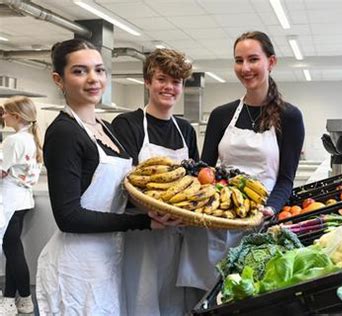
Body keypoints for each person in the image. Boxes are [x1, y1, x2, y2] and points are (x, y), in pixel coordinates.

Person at [35, 38, 163, 315]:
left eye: (99, 70)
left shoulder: (106, 128)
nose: (93, 79)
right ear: (59, 79)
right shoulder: (64, 133)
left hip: (107, 258)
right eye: (80, 71)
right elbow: (69, 217)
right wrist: (143, 222)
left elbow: (117, 193)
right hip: (75, 267)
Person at [189, 30, 305, 290]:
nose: (245, 68)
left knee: (250, 295)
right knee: (211, 294)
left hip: (262, 224)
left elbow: (286, 179)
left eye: (253, 59)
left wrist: (269, 210)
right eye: (239, 60)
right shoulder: (221, 115)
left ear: (271, 62)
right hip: (218, 221)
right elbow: (205, 169)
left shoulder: (290, 117)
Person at [112, 48, 200, 315]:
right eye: (162, 79)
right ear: (148, 82)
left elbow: (196, 181)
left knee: (175, 302)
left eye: (176, 82)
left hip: (180, 235)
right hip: (142, 234)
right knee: (142, 299)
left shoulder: (185, 130)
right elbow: (123, 183)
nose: (169, 87)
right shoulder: (128, 124)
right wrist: (153, 213)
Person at [0, 96, 42, 315]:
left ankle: (24, 297)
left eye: (5, 112)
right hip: (23, 199)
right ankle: (10, 299)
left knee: (12, 250)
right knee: (12, 248)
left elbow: (1, 171)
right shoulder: (29, 138)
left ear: (16, 116)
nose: (3, 116)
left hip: (9, 199)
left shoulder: (13, 140)